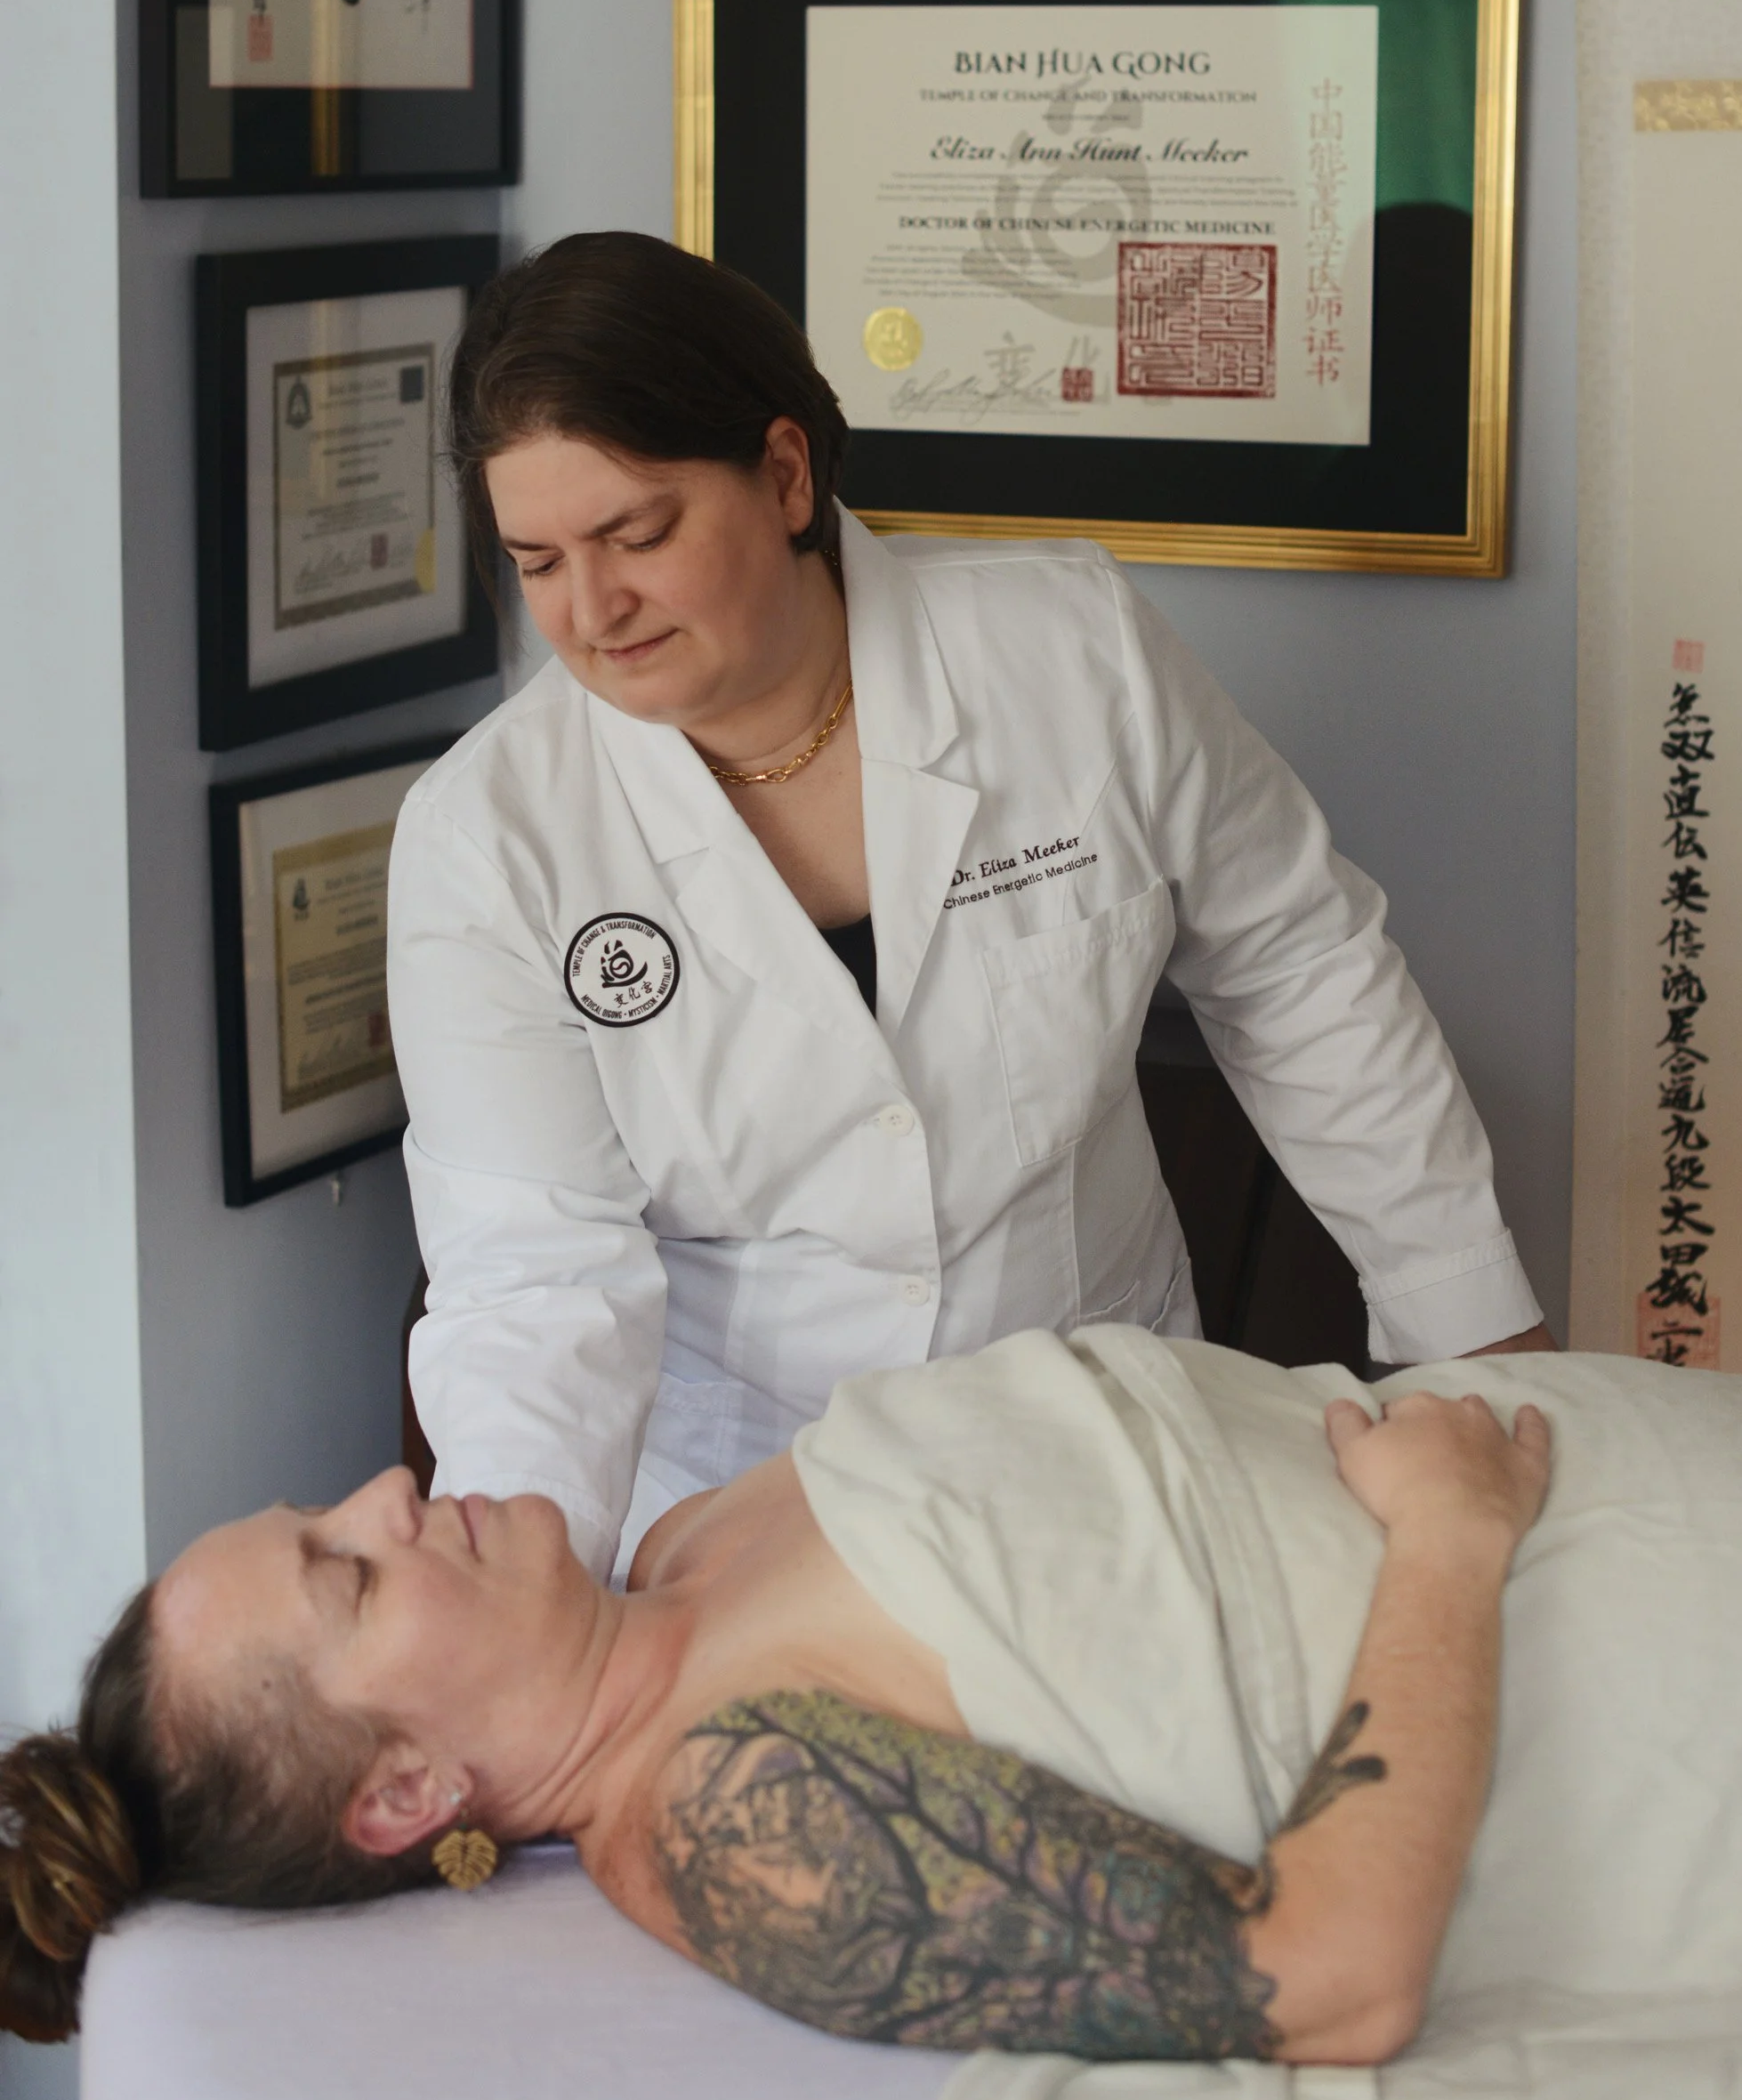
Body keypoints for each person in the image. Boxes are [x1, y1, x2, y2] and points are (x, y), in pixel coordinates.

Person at [390, 232, 1549, 1579]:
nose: (592, 610)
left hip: (1100, 1448)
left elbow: (1300, 974)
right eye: (536, 562)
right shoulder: (489, 837)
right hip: (735, 1503)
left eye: (636, 535)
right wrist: (516, 1597)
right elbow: (534, 1273)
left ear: (785, 474)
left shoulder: (1068, 652)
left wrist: (1477, 1338)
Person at [6, 1337, 1742, 2069]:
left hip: (1683, 1474)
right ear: (404, 1793)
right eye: (347, 1571)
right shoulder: (728, 1826)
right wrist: (1445, 1542)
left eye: (325, 1509)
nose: (388, 1490)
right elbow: (1329, 1978)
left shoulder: (689, 1541)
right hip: (1735, 1698)